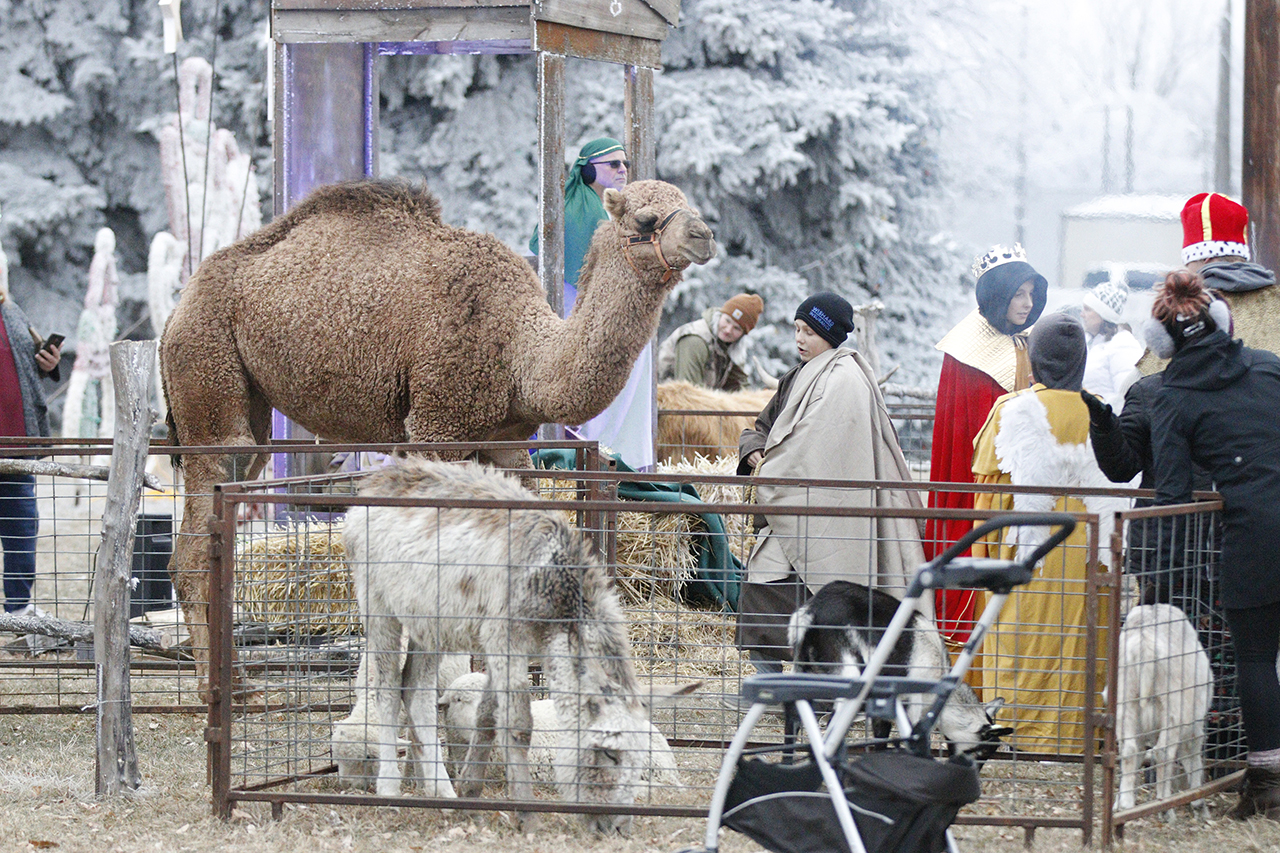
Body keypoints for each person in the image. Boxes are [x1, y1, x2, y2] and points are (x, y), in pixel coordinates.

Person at [1146, 269, 1280, 820]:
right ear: (1223, 320)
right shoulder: (1271, 369)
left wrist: (1159, 575)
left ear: (1163, 344)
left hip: (1254, 536)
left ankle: (1268, 783)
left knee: (1255, 658)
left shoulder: (1171, 397)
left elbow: (1174, 492)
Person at [734, 292, 925, 675]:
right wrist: (755, 452)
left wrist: (772, 470)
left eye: (809, 331)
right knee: (760, 587)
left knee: (823, 604)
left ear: (830, 335)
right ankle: (770, 684)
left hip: (828, 521)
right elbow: (763, 428)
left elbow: (814, 448)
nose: (799, 339)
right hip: (792, 512)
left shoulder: (844, 380)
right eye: (797, 330)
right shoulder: (798, 376)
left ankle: (822, 691)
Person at [969, 313, 1122, 754]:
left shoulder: (1011, 411)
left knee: (1022, 642)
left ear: (1035, 357)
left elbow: (989, 498)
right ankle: (1080, 734)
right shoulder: (1101, 413)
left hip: (1026, 559)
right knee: (1084, 641)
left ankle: (1019, 732)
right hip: (1091, 560)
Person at [925, 244, 1046, 646]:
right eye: (1018, 294)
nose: (1027, 304)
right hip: (979, 480)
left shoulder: (1022, 341)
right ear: (997, 294)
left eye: (1031, 293)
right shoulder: (969, 349)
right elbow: (970, 431)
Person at [530, 137, 655, 469]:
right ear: (587, 170)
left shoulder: (617, 208)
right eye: (613, 164)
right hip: (578, 311)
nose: (622, 170)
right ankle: (591, 456)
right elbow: (572, 271)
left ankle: (624, 459)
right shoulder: (573, 210)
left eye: (625, 163)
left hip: (617, 313)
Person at [1, 249, 61, 619]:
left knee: (22, 531)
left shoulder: (12, 312)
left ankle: (18, 609)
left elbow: (24, 368)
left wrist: (48, 363)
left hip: (16, 448)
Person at [656, 293, 763, 392]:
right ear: (720, 315)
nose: (728, 330)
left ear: (742, 335)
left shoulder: (730, 347)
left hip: (695, 403)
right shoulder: (695, 341)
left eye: (737, 328)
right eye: (727, 321)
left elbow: (739, 387)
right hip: (664, 402)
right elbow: (688, 391)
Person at [1081, 278, 1143, 409]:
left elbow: (1128, 393)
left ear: (1103, 314)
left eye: (1087, 309)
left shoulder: (1123, 344)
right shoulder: (1090, 342)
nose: (1082, 314)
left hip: (1109, 422)